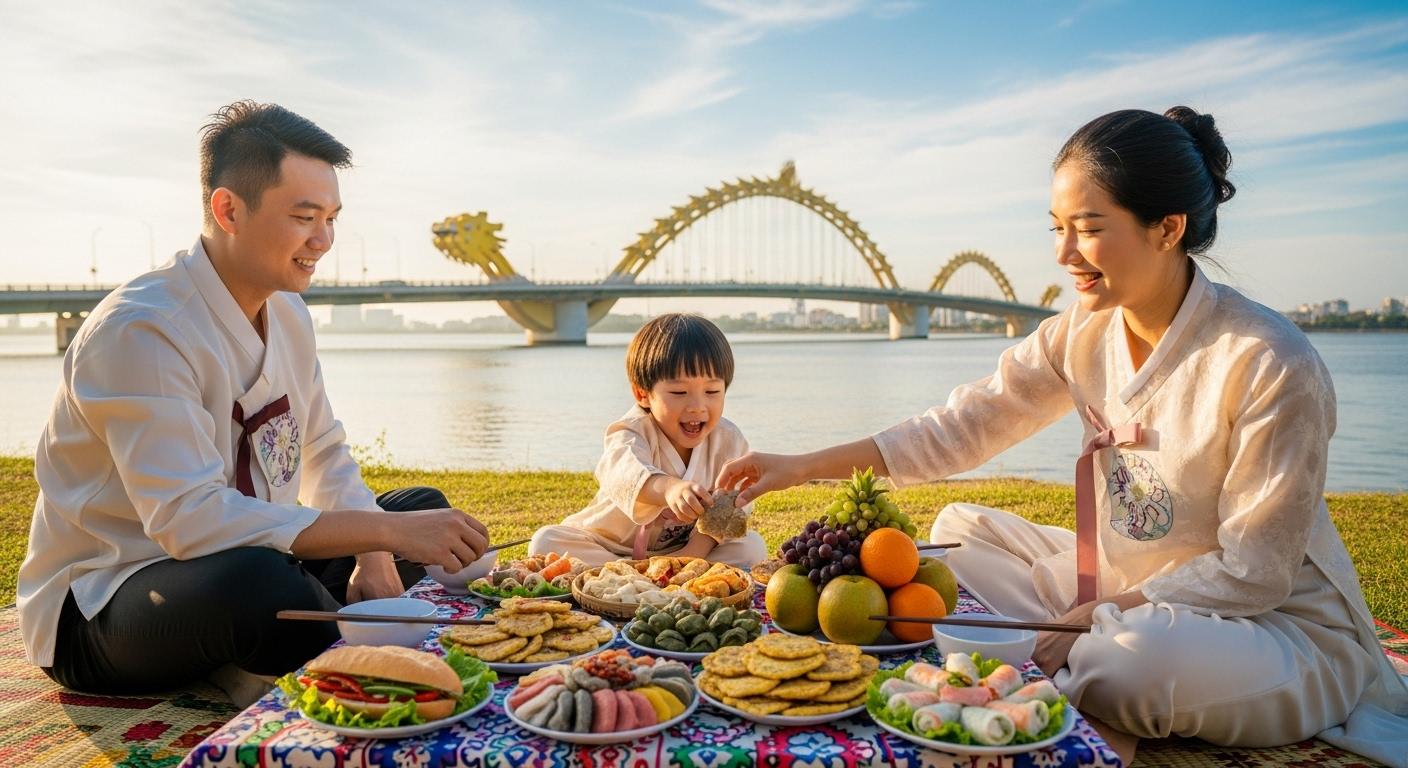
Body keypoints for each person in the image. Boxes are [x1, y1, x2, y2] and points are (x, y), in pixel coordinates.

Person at [715, 107, 1408, 767]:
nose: (1064, 254)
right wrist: (802, 466)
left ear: (1168, 228)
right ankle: (1071, 650)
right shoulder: (1082, 329)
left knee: (1127, 664)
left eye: (1087, 227)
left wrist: (1101, 614)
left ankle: (1075, 660)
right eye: (1055, 228)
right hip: (1118, 590)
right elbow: (960, 428)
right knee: (960, 531)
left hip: (1271, 628)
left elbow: (1253, 573)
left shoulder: (1268, 361)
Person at [17, 101, 491, 702]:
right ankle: (344, 660)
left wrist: (377, 549)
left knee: (419, 511)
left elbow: (322, 450)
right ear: (228, 209)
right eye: (304, 216)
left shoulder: (287, 312)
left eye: (332, 218)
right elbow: (191, 520)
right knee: (262, 587)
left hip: (253, 553)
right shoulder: (142, 331)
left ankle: (297, 647)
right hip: (108, 600)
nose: (323, 240)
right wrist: (381, 533)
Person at [530, 313, 767, 568]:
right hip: (610, 547)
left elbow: (730, 506)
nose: (698, 407)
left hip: (683, 552)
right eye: (679, 392)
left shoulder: (728, 440)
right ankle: (631, 570)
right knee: (546, 542)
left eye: (712, 392)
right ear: (642, 394)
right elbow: (625, 474)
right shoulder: (631, 432)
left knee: (752, 547)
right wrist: (670, 488)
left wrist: (691, 554)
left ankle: (656, 572)